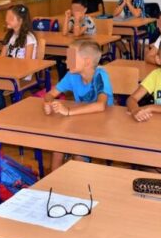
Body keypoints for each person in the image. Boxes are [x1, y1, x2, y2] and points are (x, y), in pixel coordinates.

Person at [43, 39, 113, 170]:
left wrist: (68, 111)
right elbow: (50, 94)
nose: (66, 61)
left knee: (78, 153)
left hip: (101, 125)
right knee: (57, 147)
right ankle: (54, 181)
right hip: (79, 121)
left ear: (87, 62)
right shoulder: (72, 75)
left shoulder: (100, 76)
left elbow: (100, 106)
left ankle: (80, 179)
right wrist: (49, 102)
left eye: (71, 58)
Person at [0, 5, 37, 112]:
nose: (6, 20)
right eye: (6, 17)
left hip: (22, 75)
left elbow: (27, 63)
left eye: (10, 18)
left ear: (21, 21)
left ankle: (2, 115)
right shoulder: (10, 35)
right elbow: (2, 58)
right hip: (8, 73)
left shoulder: (29, 38)